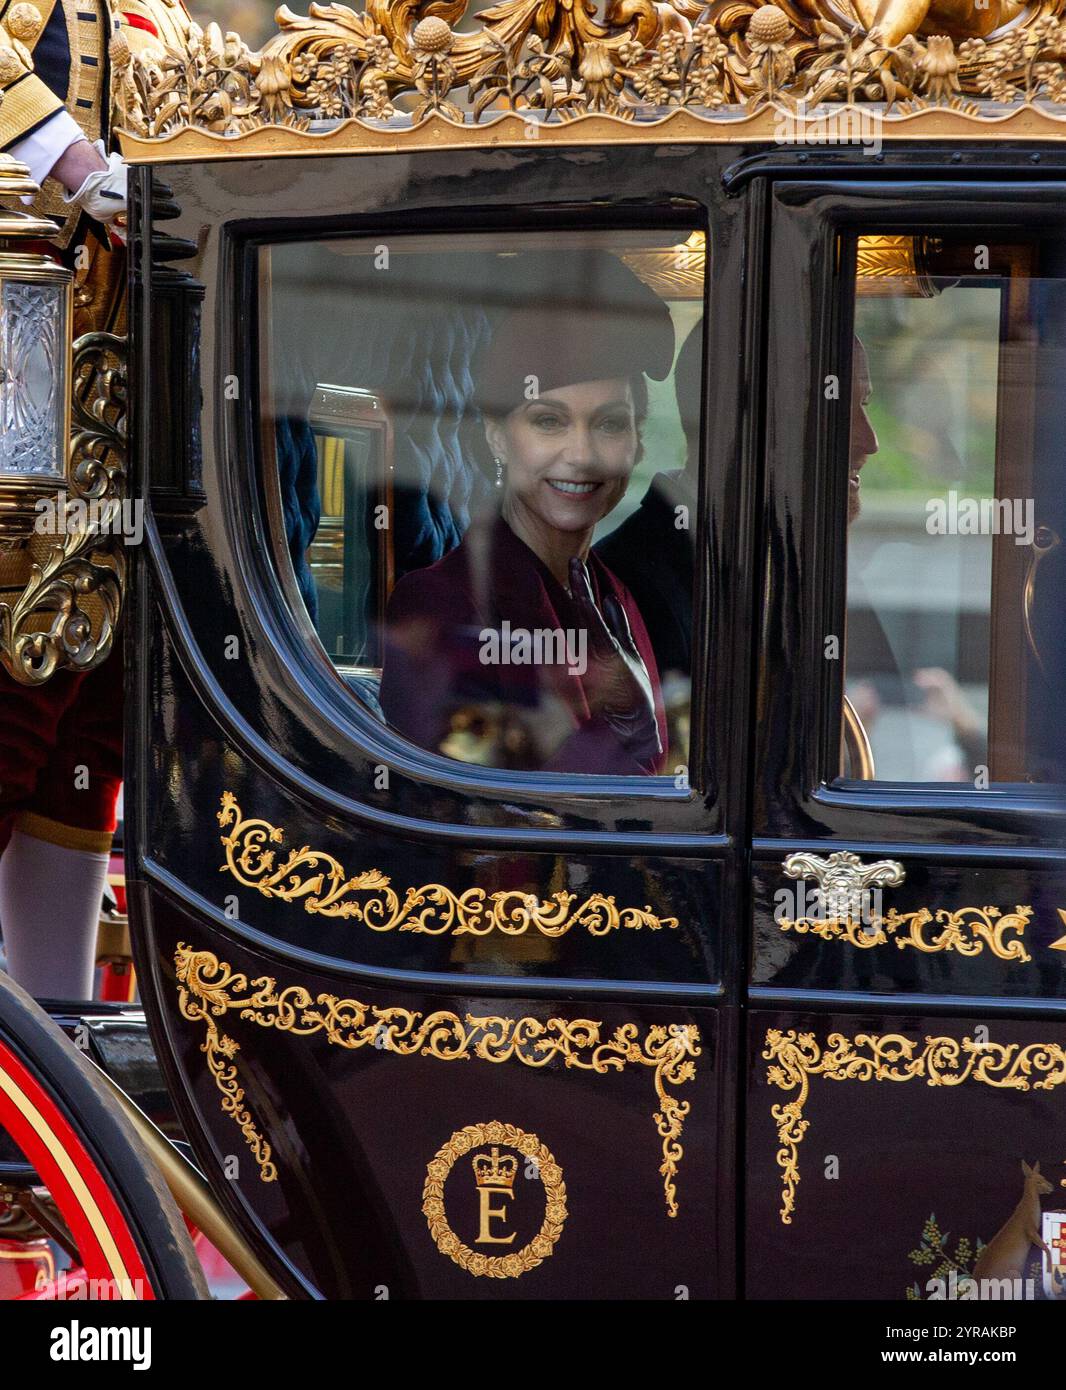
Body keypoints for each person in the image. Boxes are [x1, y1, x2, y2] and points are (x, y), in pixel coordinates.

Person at [0, 0, 193, 1000]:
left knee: (82, 749)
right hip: (17, 422)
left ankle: (56, 1063)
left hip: (117, 435)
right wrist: (78, 164)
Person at [379, 251, 675, 775]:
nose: (581, 455)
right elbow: (470, 810)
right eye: (548, 422)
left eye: (609, 425)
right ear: (498, 437)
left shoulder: (616, 597)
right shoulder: (444, 603)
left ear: (637, 445)